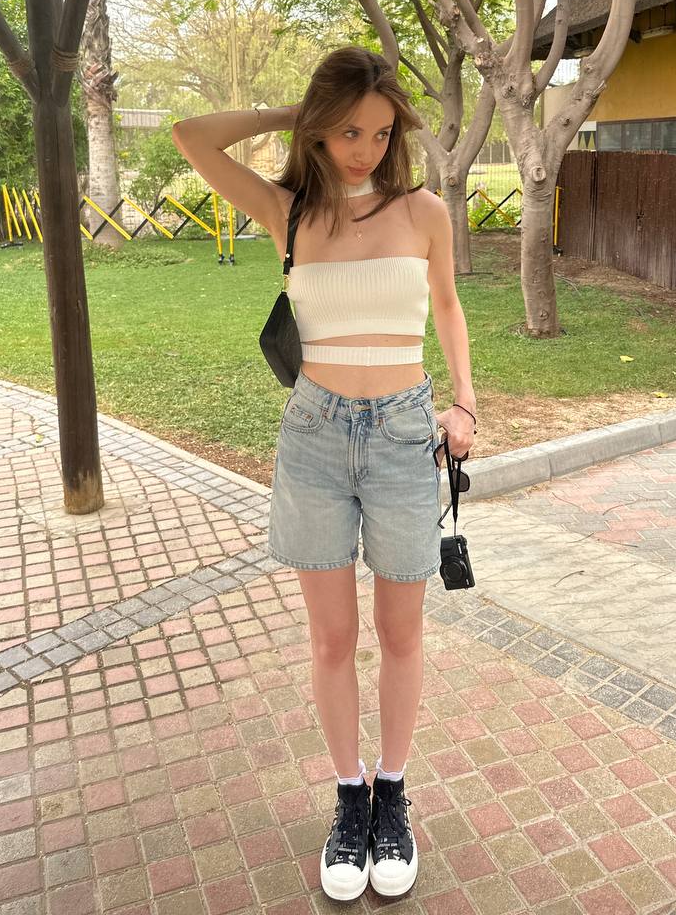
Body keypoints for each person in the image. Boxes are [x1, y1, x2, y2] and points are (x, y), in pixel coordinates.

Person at [172, 46, 476, 902]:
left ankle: (393, 794)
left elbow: (447, 306)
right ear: (318, 129)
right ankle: (349, 798)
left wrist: (465, 402)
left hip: (404, 433)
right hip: (314, 435)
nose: (364, 149)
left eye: (379, 133)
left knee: (402, 633)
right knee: (332, 638)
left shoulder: (423, 212)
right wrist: (289, 115)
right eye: (347, 131)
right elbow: (191, 136)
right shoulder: (290, 211)